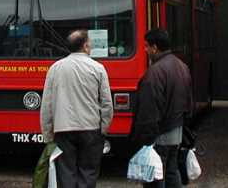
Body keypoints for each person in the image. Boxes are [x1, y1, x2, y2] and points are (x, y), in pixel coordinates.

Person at [40, 29, 113, 188]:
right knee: (88, 173)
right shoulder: (98, 68)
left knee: (66, 173)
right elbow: (107, 103)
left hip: (63, 130)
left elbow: (47, 105)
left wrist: (48, 135)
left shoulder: (55, 68)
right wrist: (104, 128)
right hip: (91, 129)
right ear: (86, 46)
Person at [131, 28, 194, 188]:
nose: (145, 50)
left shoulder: (154, 72)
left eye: (146, 46)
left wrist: (144, 138)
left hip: (159, 133)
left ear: (155, 47)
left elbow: (148, 108)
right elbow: (189, 101)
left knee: (155, 177)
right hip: (177, 131)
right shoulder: (182, 66)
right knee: (172, 171)